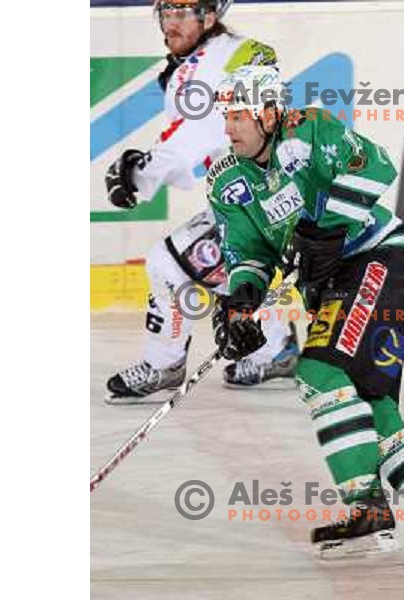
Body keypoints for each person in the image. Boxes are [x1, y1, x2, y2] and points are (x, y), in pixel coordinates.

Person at [207, 66, 404, 567]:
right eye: (225, 117)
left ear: (270, 113)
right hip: (339, 289)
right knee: (372, 412)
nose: (227, 128)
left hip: (382, 266)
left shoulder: (309, 129)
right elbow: (249, 254)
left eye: (236, 116)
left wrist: (327, 228)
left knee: (319, 371)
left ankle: (368, 509)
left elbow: (375, 164)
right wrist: (241, 302)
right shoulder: (230, 181)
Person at [103, 1, 298, 401]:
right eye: (166, 13)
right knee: (228, 266)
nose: (171, 23)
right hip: (261, 194)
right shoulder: (208, 58)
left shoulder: (211, 60)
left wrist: (140, 171)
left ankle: (163, 365)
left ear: (208, 17)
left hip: (263, 198)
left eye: (182, 13)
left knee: (167, 263)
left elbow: (195, 137)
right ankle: (276, 347)